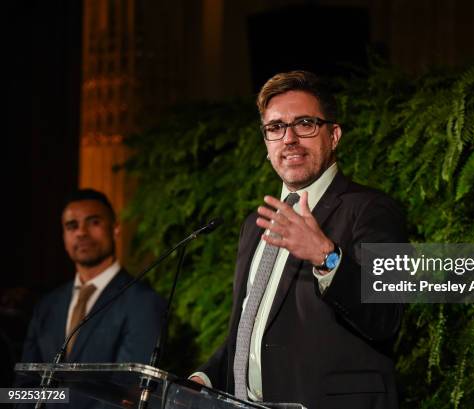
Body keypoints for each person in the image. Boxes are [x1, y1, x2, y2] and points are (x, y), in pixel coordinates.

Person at [191, 71, 406, 409]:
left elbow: (386, 317)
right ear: (266, 143)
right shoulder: (256, 224)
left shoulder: (372, 209)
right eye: (275, 128)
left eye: (304, 124)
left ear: (333, 135)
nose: (288, 138)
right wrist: (205, 378)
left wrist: (326, 255)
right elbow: (250, 328)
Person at [19, 189, 165, 407]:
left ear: (115, 229)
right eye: (72, 226)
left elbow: (128, 394)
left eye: (93, 222)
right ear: (64, 237)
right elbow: (21, 389)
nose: (81, 233)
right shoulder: (47, 305)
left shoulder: (143, 303)